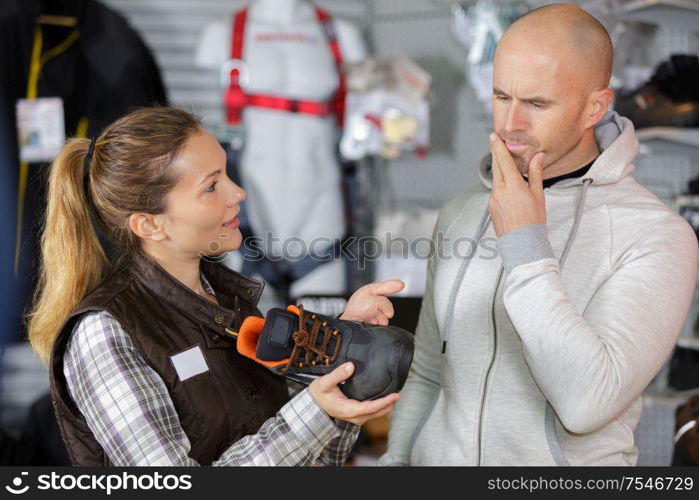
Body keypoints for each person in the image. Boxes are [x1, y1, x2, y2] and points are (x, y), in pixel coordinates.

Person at [381, 3, 699, 466]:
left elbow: (587, 403)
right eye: (501, 96)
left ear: (596, 106)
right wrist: (394, 463)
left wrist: (526, 246)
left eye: (537, 103)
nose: (510, 125)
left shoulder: (655, 234)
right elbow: (430, 372)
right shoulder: (463, 212)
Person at [27, 106, 404, 466]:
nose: (237, 193)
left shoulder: (231, 305)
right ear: (149, 225)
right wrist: (314, 411)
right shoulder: (103, 334)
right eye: (212, 187)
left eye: (226, 174)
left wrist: (342, 362)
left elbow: (318, 459)